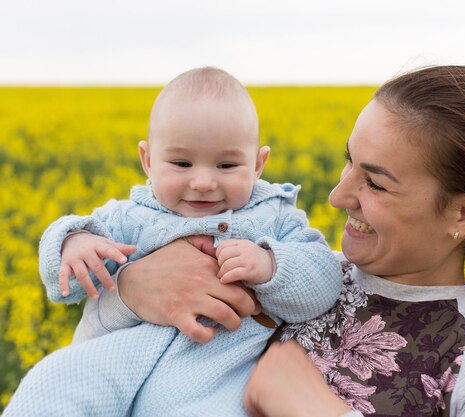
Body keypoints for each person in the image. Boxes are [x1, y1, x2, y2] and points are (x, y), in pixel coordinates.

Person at [76, 65, 465, 417]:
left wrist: (315, 410)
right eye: (348, 162)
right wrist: (128, 293)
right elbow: (107, 371)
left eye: (376, 183)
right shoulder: (293, 270)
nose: (337, 196)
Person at [4, 67, 342, 416]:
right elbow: (66, 285)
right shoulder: (130, 217)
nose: (203, 181)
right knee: (50, 382)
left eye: (226, 165)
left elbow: (324, 281)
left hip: (222, 369)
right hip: (125, 355)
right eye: (181, 163)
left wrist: (272, 265)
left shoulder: (275, 217)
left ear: (258, 164)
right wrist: (73, 243)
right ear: (147, 161)